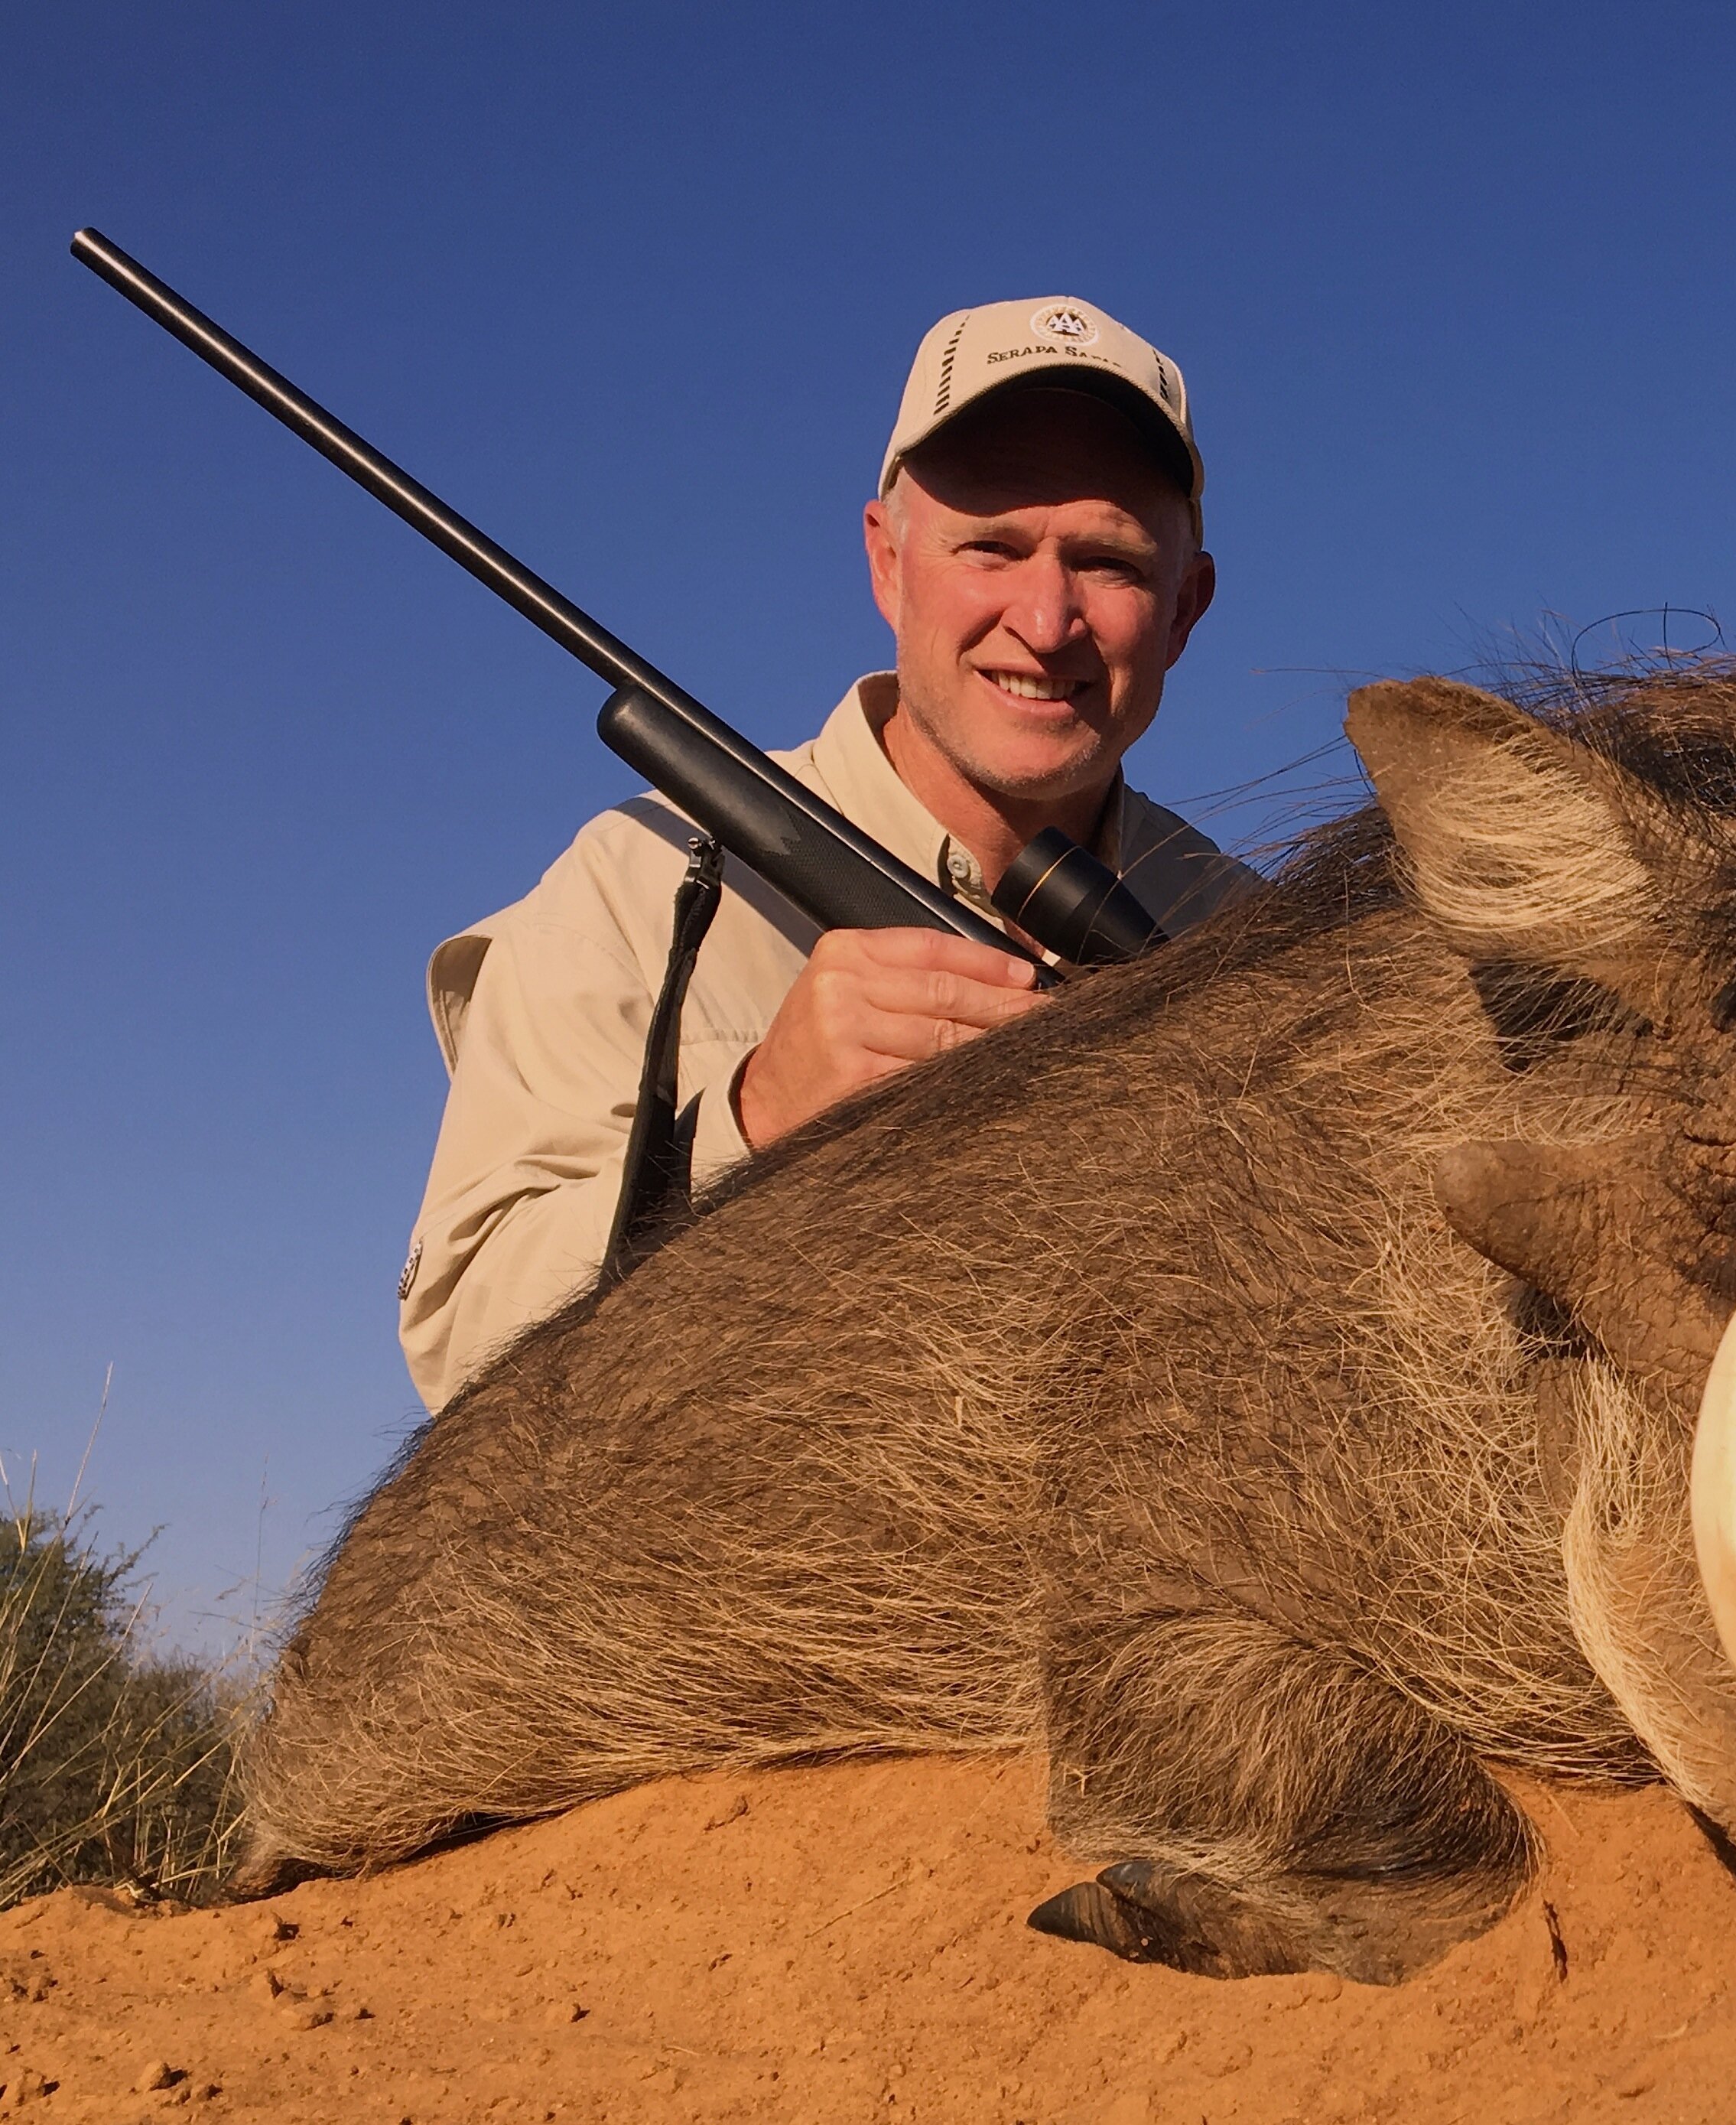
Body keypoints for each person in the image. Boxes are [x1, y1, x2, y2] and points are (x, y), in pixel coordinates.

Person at [398, 297, 1250, 1411]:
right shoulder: (633, 884)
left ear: (1185, 610)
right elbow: (460, 1349)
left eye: (1108, 564)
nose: (1046, 621)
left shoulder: (1252, 943)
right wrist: (753, 1121)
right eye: (990, 546)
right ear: (887, 563)